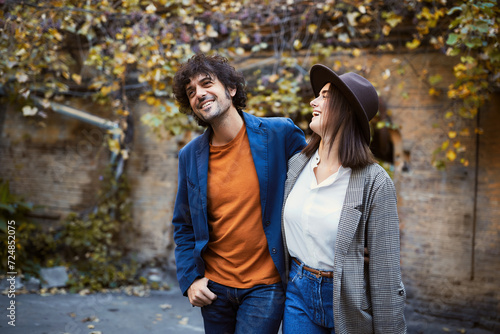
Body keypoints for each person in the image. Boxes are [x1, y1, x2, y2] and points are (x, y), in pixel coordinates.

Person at [171, 53, 306, 333]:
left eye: (207, 83)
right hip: (214, 288)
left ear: (231, 88)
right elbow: (183, 226)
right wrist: (191, 280)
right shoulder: (190, 156)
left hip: (265, 285)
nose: (199, 94)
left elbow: (314, 186)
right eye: (191, 91)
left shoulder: (280, 134)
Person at [281, 64, 407, 333]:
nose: (313, 101)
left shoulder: (374, 181)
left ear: (346, 109)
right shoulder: (296, 166)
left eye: (325, 96)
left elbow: (386, 275)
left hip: (347, 299)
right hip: (297, 293)